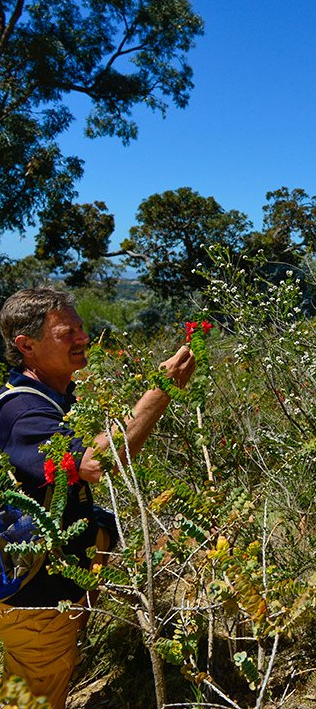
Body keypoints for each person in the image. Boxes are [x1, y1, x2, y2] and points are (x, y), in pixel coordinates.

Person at [0, 288, 196, 707]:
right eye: (67, 332)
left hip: (49, 590)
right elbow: (98, 463)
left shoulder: (55, 400)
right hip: (34, 601)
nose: (82, 338)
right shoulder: (23, 413)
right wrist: (161, 390)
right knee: (30, 699)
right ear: (27, 346)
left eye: (82, 328)